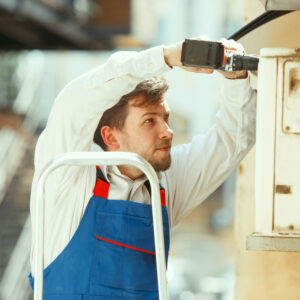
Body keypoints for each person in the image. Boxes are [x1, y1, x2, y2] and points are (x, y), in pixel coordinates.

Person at [29, 37, 256, 299]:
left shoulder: (163, 184)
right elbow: (74, 101)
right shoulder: (68, 176)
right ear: (111, 137)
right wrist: (166, 57)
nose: (168, 132)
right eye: (150, 121)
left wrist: (237, 78)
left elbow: (232, 141)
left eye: (166, 118)